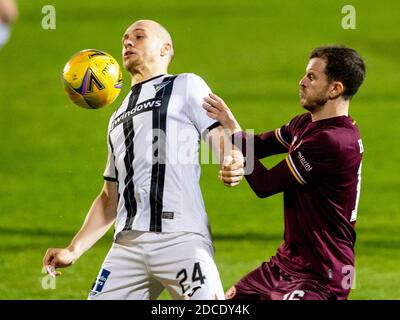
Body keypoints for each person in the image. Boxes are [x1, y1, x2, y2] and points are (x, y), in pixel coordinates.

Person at [43, 19, 243, 300]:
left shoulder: (185, 85)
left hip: (181, 239)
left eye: (139, 36)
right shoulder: (117, 116)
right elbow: (109, 197)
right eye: (125, 38)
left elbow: (221, 135)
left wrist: (233, 158)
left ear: (165, 49)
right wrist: (74, 250)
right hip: (127, 247)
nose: (128, 42)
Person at [203, 45, 366, 300]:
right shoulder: (305, 124)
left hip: (322, 276)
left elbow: (265, 184)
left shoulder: (333, 141)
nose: (301, 82)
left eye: (312, 77)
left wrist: (233, 130)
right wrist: (228, 130)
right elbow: (258, 145)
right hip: (285, 264)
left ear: (335, 89)